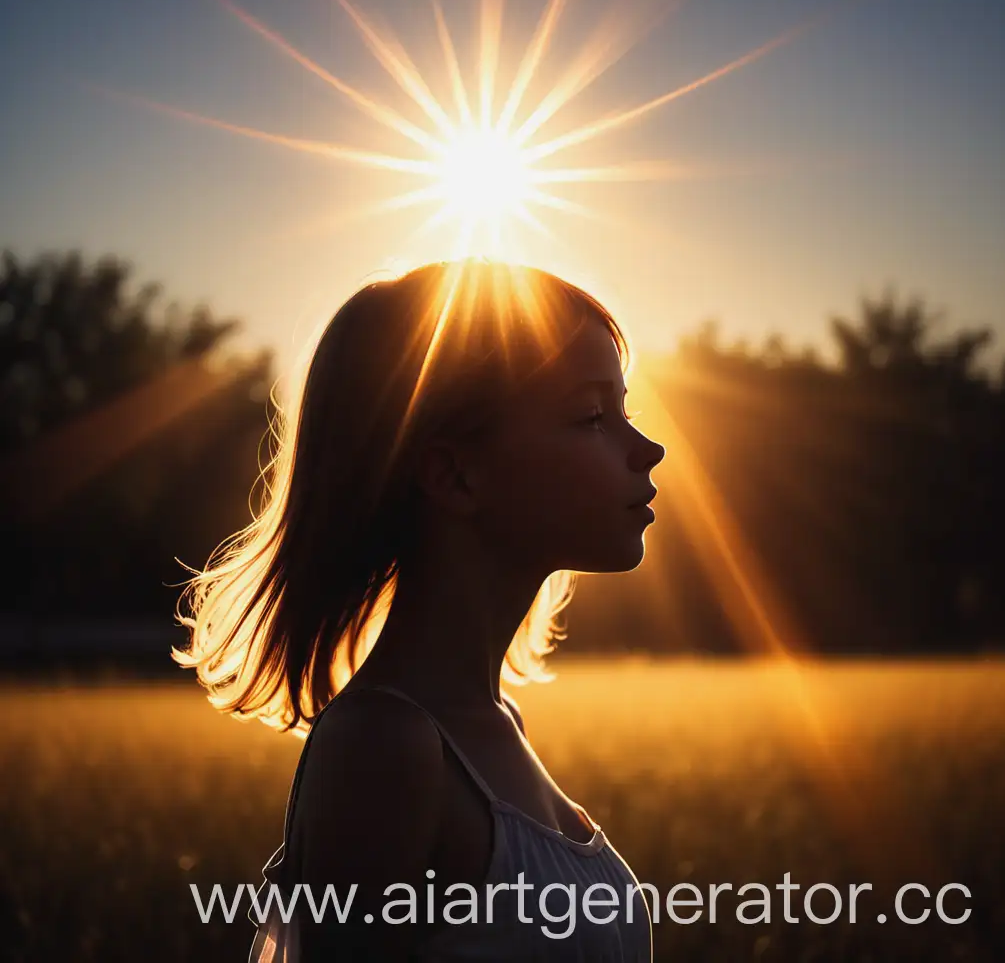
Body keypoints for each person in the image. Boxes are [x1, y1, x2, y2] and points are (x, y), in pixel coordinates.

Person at [173, 258, 665, 960]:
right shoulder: (386, 749)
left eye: (625, 410)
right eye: (592, 416)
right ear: (454, 473)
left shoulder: (491, 725)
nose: (648, 449)